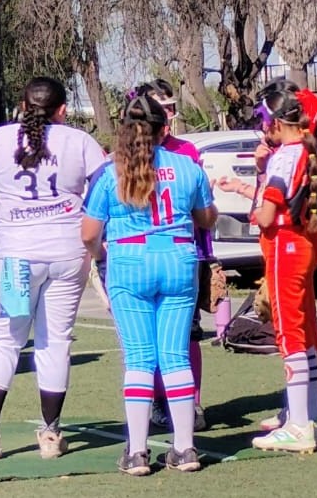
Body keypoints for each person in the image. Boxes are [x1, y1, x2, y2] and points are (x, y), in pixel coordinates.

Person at [0, 77, 107, 460]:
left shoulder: (0, 139)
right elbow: (104, 194)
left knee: (5, 340)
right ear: (63, 109)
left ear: (23, 106)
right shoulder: (80, 141)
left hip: (18, 258)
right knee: (55, 340)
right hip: (69, 253)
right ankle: (51, 433)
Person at [81, 95, 218, 476]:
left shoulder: (109, 172)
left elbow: (89, 233)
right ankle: (185, 447)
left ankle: (138, 451)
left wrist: (100, 255)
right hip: (178, 260)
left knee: (139, 359)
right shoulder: (187, 165)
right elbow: (207, 218)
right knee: (175, 356)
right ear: (163, 129)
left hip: (129, 261)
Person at [216, 78, 317, 443]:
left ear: (275, 122)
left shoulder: (286, 156)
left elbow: (269, 213)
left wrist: (255, 212)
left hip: (286, 244)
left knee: (290, 334)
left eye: (263, 120)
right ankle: (314, 417)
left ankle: (299, 426)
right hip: (301, 242)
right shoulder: (304, 150)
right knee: (304, 331)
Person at [130, 79, 213, 432]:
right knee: (146, 337)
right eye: (161, 108)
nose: (168, 116)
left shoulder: (186, 152)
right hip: (144, 256)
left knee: (187, 334)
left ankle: (189, 401)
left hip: (185, 252)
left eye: (171, 108)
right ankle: (156, 399)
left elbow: (202, 208)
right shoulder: (127, 157)